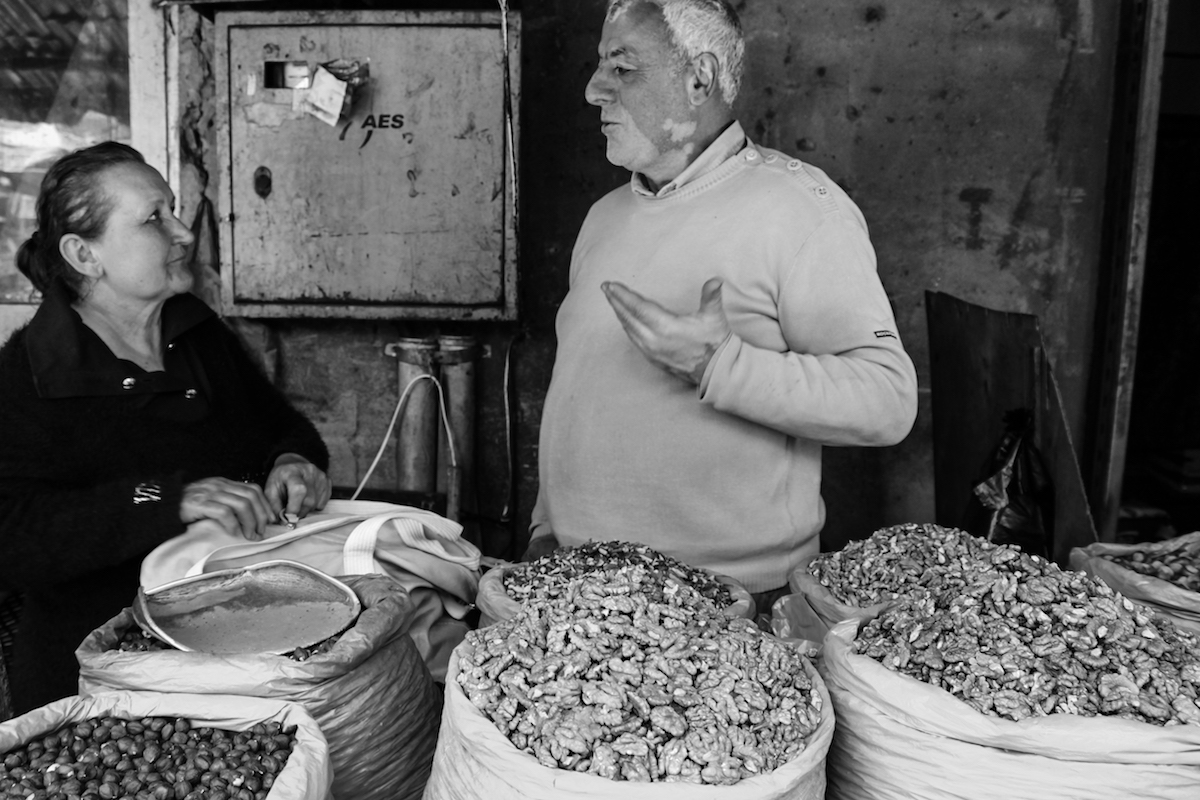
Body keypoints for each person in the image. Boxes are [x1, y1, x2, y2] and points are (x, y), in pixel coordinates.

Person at [526, 0, 918, 612]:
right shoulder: (605, 217)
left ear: (699, 78)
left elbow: (886, 401)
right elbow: (577, 392)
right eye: (599, 65)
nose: (592, 90)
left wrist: (717, 365)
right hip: (576, 585)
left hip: (728, 602)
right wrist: (545, 526)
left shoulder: (800, 210)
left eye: (622, 68)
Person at [0, 142, 332, 713]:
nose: (182, 232)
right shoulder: (30, 377)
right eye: (154, 218)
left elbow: (283, 426)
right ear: (84, 254)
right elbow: (12, 536)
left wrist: (293, 462)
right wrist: (165, 499)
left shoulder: (198, 335)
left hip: (236, 644)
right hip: (98, 676)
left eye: (173, 210)